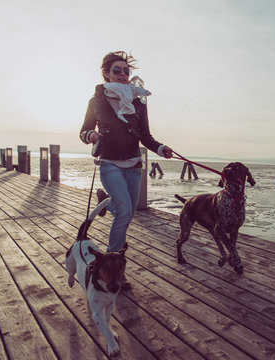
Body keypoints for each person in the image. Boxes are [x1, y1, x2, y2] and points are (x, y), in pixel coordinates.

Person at [80, 51, 173, 289]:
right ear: (106, 74)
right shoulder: (97, 101)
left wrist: (161, 148)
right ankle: (112, 266)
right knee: (123, 213)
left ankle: (105, 202)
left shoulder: (138, 102)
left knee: (128, 213)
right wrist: (90, 135)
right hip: (109, 163)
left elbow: (145, 136)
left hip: (134, 165)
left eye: (126, 71)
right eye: (117, 70)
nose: (122, 74)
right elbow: (84, 131)